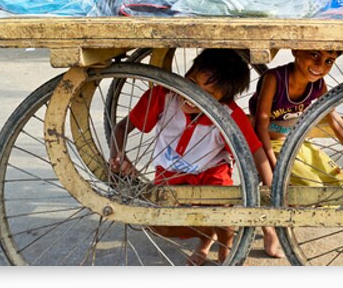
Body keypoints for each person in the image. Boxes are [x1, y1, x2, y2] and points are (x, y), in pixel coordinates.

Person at [108, 48, 283, 264]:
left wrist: (271, 191)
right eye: (191, 82)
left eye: (207, 95)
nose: (192, 96)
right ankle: (206, 235)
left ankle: (225, 246)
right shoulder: (162, 97)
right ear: (187, 73)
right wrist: (118, 156)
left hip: (212, 173)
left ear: (223, 101)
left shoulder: (228, 114)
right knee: (158, 224)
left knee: (225, 221)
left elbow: (256, 151)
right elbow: (121, 127)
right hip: (169, 174)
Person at [250, 50, 343, 185]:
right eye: (315, 55)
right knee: (313, 186)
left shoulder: (318, 85)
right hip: (272, 145)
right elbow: (261, 126)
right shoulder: (274, 79)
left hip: (298, 142)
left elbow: (334, 119)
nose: (320, 65)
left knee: (341, 183)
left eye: (329, 61)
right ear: (296, 51)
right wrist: (276, 167)